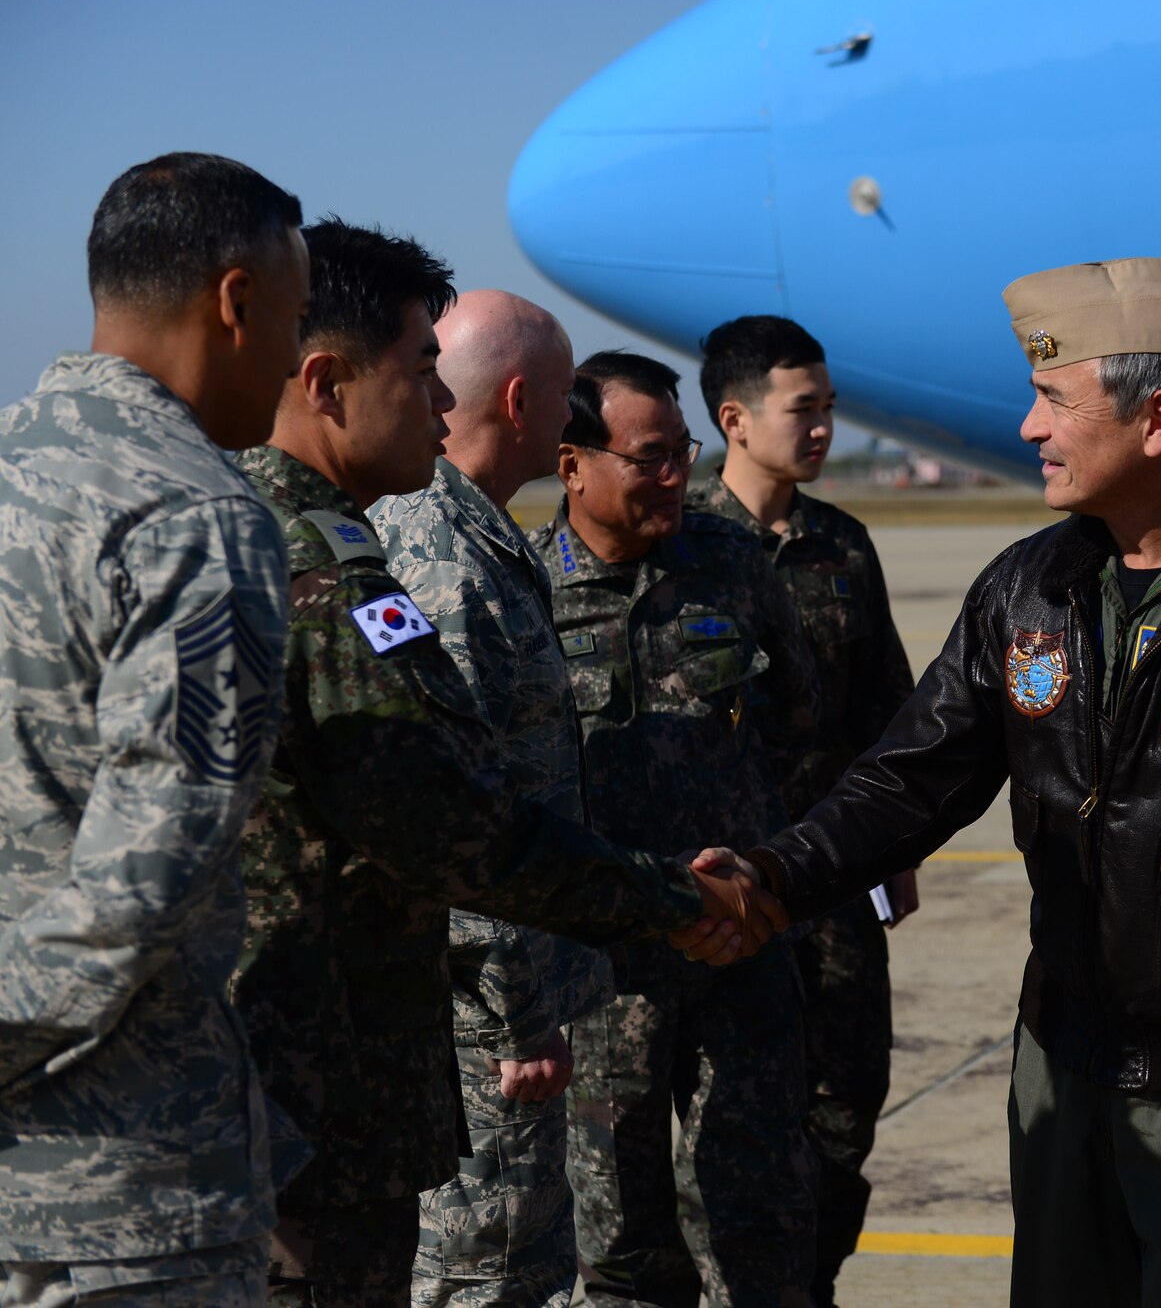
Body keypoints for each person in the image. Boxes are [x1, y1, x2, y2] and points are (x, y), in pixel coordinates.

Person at [693, 257, 1161, 1308]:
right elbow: (908, 780)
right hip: (1061, 1067)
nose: (1029, 427)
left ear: (1157, 420)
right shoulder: (1026, 590)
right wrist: (773, 876)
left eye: (1054, 399)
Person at [229, 222, 780, 1308]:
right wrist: (667, 905)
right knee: (486, 1278)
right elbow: (455, 827)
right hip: (333, 1078)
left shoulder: (330, 543)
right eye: (418, 372)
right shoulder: (338, 564)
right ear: (329, 382)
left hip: (350, 1066)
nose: (442, 404)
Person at [0, 152, 307, 1308]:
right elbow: (148, 875)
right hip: (117, 1204)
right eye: (292, 319)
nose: (293, 358)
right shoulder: (194, 512)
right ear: (235, 300)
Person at [536, 352, 823, 1308]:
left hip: (738, 952)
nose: (674, 477)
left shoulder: (732, 563)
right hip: (603, 975)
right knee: (620, 1244)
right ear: (573, 464)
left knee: (761, 1222)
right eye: (648, 457)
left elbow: (801, 725)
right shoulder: (527, 589)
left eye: (681, 453)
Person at [370, 289, 611, 1307]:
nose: (573, 421)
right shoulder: (444, 559)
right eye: (565, 397)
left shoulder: (470, 534)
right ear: (519, 401)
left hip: (489, 1002)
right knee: (490, 1273)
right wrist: (516, 1018)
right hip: (480, 1024)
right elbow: (454, 813)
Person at [686, 315, 917, 1308]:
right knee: (733, 1115)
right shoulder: (686, 542)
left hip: (833, 880)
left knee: (845, 1100)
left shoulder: (842, 544)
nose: (821, 427)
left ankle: (809, 1284)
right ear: (734, 420)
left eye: (827, 407)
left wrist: (896, 850)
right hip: (725, 886)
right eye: (801, 409)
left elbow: (889, 712)